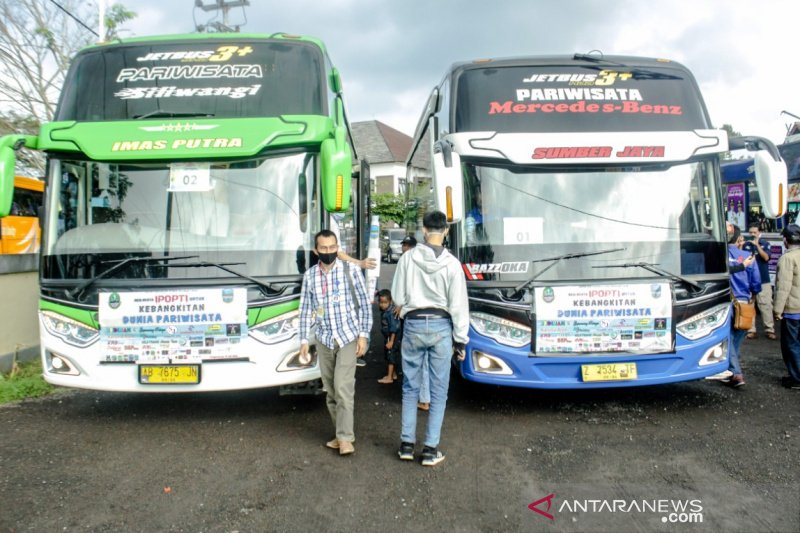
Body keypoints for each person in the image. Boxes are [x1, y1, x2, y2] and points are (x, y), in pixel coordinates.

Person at [391, 211, 469, 466]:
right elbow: (458, 306)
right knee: (438, 392)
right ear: (445, 231)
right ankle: (430, 449)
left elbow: (398, 298)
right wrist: (461, 340)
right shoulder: (452, 264)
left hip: (413, 325)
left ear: (424, 230)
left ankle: (406, 445)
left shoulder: (408, 258)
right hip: (441, 327)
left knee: (410, 388)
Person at [298, 229, 372, 455]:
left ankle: (345, 438)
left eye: (333, 248)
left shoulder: (350, 270)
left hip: (348, 336)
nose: (329, 252)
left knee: (342, 386)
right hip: (324, 339)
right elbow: (305, 310)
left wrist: (363, 335)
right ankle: (339, 434)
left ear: (337, 248)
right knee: (330, 391)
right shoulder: (310, 276)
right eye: (324, 248)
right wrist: (303, 340)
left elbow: (365, 304)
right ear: (316, 250)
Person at [724, 225, 762, 388]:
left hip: (726, 303)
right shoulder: (748, 256)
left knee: (728, 338)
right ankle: (734, 370)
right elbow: (756, 283)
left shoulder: (720, 255)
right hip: (744, 303)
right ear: (739, 238)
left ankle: (735, 372)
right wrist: (753, 296)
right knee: (737, 338)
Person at [772, 224, 800, 389]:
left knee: (791, 345)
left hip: (792, 311)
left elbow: (783, 287)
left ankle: (796, 378)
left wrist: (777, 310)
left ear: (785, 240)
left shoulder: (787, 258)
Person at [743, 224, 776, 340]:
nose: (752, 235)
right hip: (749, 280)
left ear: (759, 232)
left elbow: (766, 257)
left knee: (766, 305)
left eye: (754, 232)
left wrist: (757, 245)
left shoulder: (765, 243)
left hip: (763, 280)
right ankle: (751, 330)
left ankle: (769, 330)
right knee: (750, 305)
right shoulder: (745, 245)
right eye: (750, 232)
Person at [376, 289, 401, 384]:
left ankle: (389, 377)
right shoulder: (386, 311)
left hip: (392, 337)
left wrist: (391, 341)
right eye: (381, 302)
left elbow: (394, 328)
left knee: (391, 355)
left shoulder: (391, 313)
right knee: (389, 354)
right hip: (388, 337)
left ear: (390, 301)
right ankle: (393, 374)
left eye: (385, 302)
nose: (382, 305)